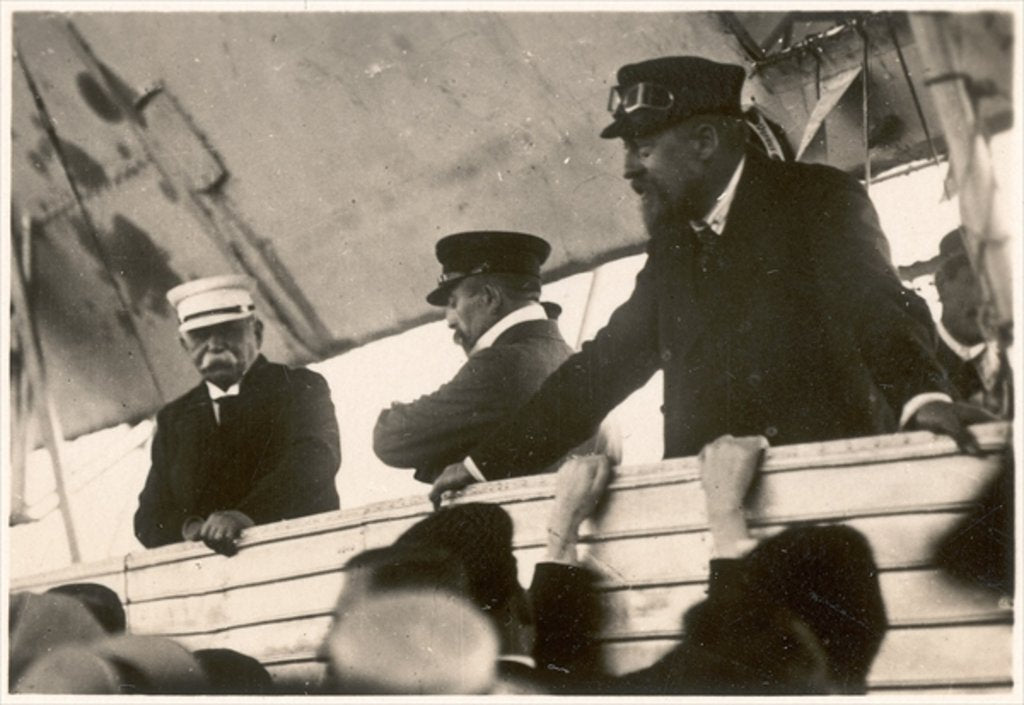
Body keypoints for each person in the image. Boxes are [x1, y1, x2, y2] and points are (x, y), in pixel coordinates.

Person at [431, 55, 988, 503]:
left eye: (643, 148)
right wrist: (483, 466)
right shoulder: (674, 244)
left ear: (703, 142)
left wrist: (922, 398)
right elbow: (605, 366)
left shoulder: (815, 200)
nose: (628, 170)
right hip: (708, 503)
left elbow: (877, 308)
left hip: (821, 492)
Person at [373, 231, 618, 485]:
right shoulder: (569, 357)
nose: (449, 320)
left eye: (454, 303)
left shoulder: (500, 365)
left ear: (490, 298)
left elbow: (390, 439)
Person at [134, 274, 341, 555]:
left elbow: (315, 461)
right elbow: (148, 518)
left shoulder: (300, 388)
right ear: (184, 344)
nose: (214, 345)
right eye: (200, 335)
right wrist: (192, 529)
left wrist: (246, 515)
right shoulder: (174, 418)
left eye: (228, 330)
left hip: (302, 555)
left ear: (257, 332)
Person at [932, 227, 1013, 418]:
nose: (988, 299)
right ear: (942, 285)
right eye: (976, 282)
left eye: (999, 285)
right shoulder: (912, 361)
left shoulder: (1012, 367)